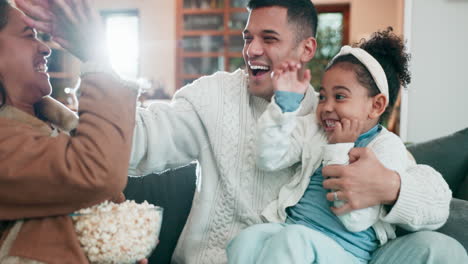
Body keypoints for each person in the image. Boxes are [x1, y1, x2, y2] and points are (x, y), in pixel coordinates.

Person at [19, 0, 465, 263]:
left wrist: (390, 185)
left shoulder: (329, 117)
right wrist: (48, 112)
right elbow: (133, 144)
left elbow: (429, 195)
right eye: (248, 36)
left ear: (306, 48)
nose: (251, 49)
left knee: (438, 248)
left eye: (269, 39)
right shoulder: (213, 95)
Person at [226, 28, 466, 264]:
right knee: (246, 240)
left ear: (376, 105)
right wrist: (283, 108)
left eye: (339, 97)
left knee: (294, 239)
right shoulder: (316, 129)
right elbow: (268, 157)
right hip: (295, 233)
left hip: (346, 253)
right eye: (322, 96)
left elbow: (356, 220)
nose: (327, 106)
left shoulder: (386, 148)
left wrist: (340, 149)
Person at [0, 1, 142, 263]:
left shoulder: (54, 124)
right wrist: (95, 57)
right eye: (29, 35)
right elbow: (95, 171)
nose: (45, 48)